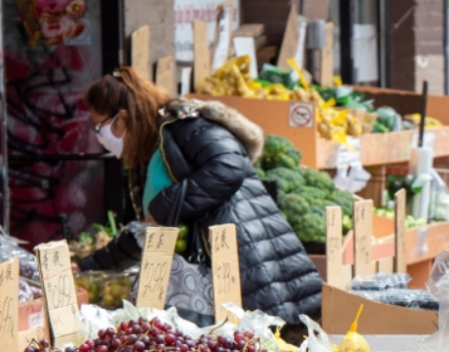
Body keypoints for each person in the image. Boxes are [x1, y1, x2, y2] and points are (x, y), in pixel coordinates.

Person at [80, 68, 321, 326]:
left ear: (123, 117)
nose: (98, 136)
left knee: (258, 349)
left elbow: (229, 166)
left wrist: (166, 204)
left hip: (245, 266)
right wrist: (88, 265)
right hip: (210, 283)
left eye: (100, 126)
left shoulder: (185, 126)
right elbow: (150, 229)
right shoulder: (150, 150)